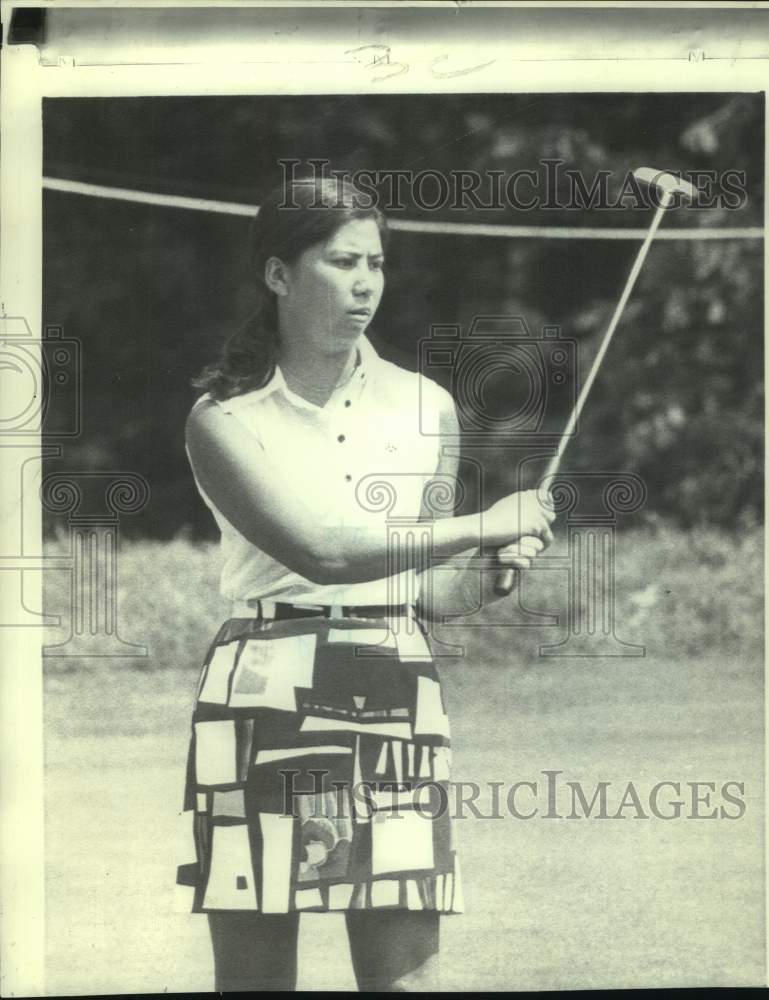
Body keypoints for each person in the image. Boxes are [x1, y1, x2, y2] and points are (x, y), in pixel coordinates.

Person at [177, 174, 555, 992]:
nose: (365, 284)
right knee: (255, 981)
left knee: (406, 983)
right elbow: (324, 554)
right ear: (279, 274)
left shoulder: (428, 406)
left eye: (376, 264)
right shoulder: (223, 417)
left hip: (395, 678)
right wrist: (484, 524)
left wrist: (486, 576)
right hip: (265, 689)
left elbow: (423, 590)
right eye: (342, 261)